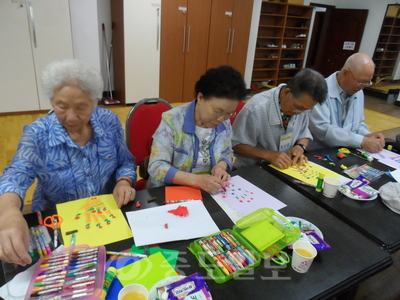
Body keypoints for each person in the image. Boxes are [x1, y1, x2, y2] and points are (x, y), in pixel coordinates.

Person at [0, 59, 137, 265]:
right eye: (61, 106)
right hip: (58, 228)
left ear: (94, 101)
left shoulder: (109, 122)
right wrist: (9, 214)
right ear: (52, 100)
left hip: (107, 219)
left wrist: (124, 181)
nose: (71, 117)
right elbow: (15, 176)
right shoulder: (38, 134)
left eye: (81, 107)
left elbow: (125, 161)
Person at [148, 65, 247, 194]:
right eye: (218, 111)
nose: (221, 119)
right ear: (200, 98)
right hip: (170, 191)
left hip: (209, 190)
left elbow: (227, 151)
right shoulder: (172, 121)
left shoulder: (224, 122)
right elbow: (156, 167)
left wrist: (221, 166)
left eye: (229, 113)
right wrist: (196, 180)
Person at [232, 68, 327, 169]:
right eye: (298, 107)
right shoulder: (256, 109)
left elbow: (304, 134)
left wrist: (300, 147)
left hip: (283, 168)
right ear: (287, 92)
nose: (299, 113)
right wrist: (268, 155)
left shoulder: (303, 106)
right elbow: (236, 145)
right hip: (252, 170)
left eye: (306, 109)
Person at [308, 53, 385, 152]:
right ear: (345, 73)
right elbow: (324, 131)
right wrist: (362, 140)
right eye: (361, 81)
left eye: (368, 82)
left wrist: (367, 135)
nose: (363, 86)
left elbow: (358, 124)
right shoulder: (319, 91)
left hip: (346, 150)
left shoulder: (358, 91)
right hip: (320, 152)